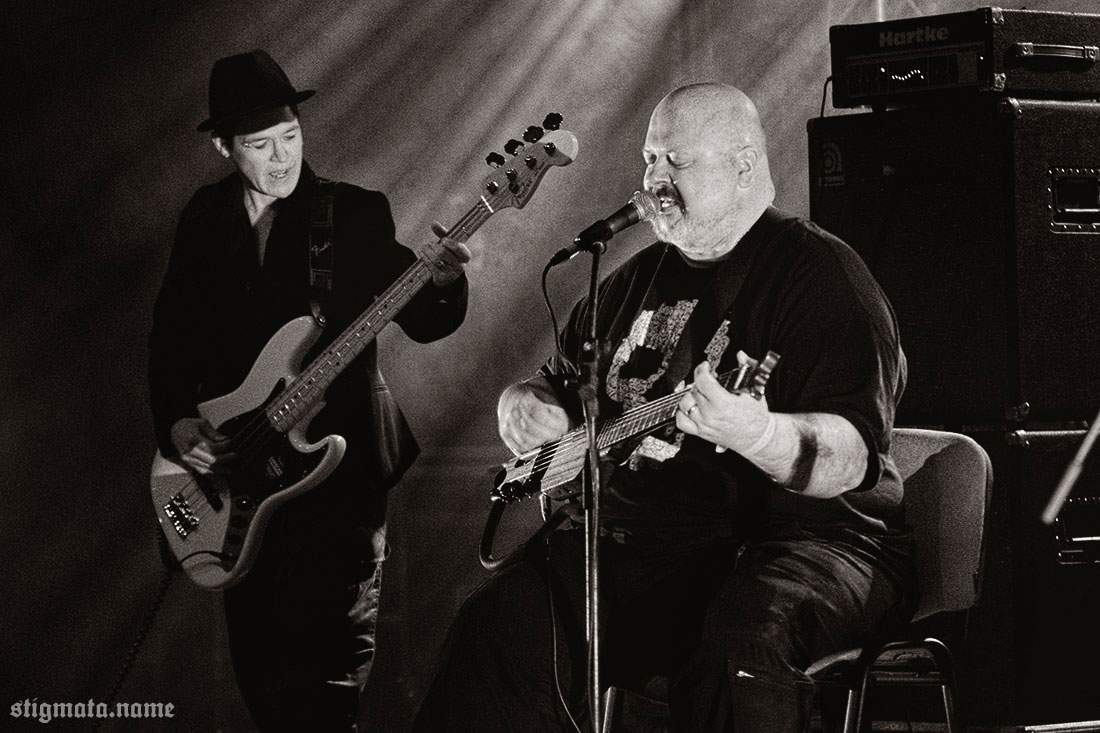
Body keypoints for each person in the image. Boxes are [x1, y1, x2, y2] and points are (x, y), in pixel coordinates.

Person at [412, 82, 916, 732]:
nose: (654, 179)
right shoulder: (632, 280)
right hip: (649, 545)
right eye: (650, 159)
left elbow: (851, 456)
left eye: (676, 161)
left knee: (741, 649)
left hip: (807, 541)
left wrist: (759, 434)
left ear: (742, 165)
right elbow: (552, 386)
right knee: (498, 625)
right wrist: (523, 407)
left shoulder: (820, 276)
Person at [148, 49, 470, 731]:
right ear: (223, 147)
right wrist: (178, 423)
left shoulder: (351, 213)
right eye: (260, 145)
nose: (282, 158)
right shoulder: (204, 218)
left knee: (325, 686)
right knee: (262, 681)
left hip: (337, 483)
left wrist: (444, 281)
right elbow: (171, 340)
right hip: (238, 478)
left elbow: (424, 319)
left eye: (290, 136)